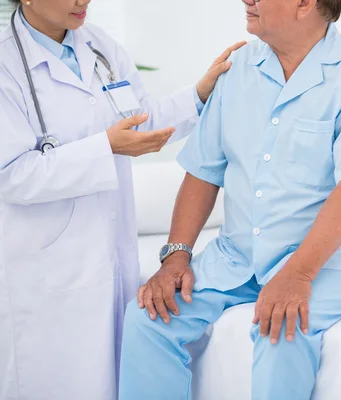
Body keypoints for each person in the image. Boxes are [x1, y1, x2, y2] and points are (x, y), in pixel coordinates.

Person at [119, 0, 341, 398]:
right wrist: (177, 254)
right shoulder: (238, 70)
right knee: (149, 318)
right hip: (240, 255)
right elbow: (204, 170)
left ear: (305, 3)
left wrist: (298, 276)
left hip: (335, 260)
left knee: (281, 330)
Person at [0, 0, 244, 398]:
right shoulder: (6, 65)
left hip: (108, 255)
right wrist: (105, 148)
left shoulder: (99, 46)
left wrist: (199, 94)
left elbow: (139, 117)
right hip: (45, 269)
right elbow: (11, 175)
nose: (84, 1)